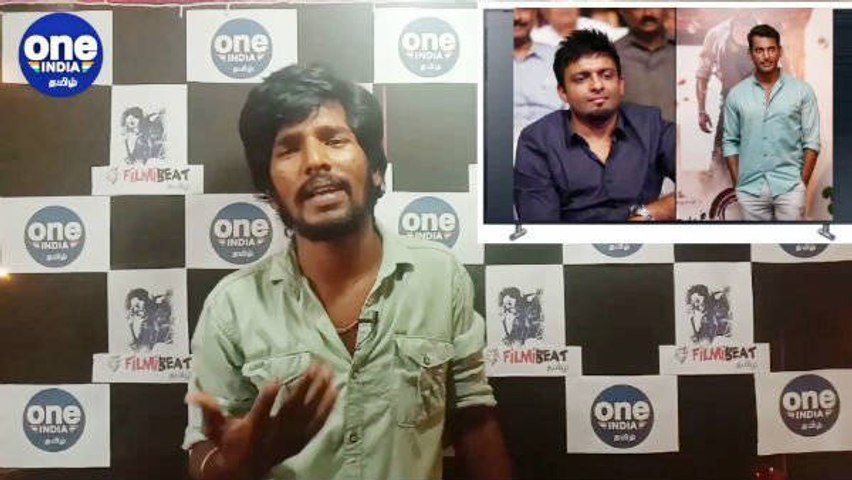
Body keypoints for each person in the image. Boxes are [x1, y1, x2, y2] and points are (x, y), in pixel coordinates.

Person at [183, 64, 512, 480]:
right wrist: (238, 463)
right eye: (289, 149)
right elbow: (204, 454)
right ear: (270, 190)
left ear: (376, 169)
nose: (315, 161)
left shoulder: (440, 277)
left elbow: (474, 418)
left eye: (334, 140)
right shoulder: (232, 306)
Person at [514, 29, 676, 223]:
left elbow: (700, 183)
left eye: (606, 75)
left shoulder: (651, 125)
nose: (597, 86)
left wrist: (649, 214)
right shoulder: (537, 141)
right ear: (563, 92)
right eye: (581, 78)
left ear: (621, 84)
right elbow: (540, 227)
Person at [722, 24, 820, 221]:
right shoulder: (736, 94)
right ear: (750, 54)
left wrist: (801, 184)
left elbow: (812, 142)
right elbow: (730, 141)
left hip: (790, 188)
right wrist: (738, 184)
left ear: (780, 51)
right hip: (750, 190)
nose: (766, 56)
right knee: (757, 241)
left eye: (771, 49)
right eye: (759, 50)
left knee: (790, 240)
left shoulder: (802, 91)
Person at [615, 8, 675, 122]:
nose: (648, 13)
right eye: (638, 8)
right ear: (623, 11)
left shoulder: (685, 51)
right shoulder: (610, 55)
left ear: (667, 9)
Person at [514, 8, 563, 135]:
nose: (516, 17)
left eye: (523, 9)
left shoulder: (559, 56)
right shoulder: (482, 59)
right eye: (507, 10)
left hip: (555, 137)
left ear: (535, 13)